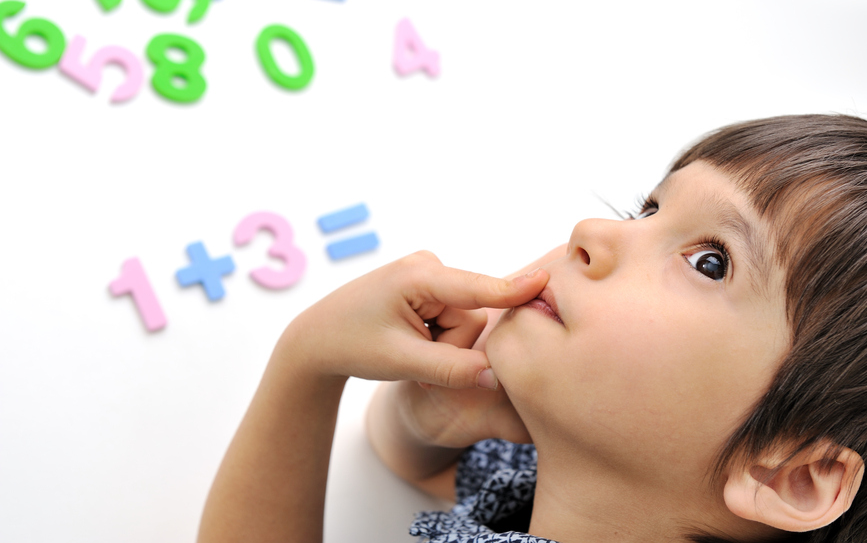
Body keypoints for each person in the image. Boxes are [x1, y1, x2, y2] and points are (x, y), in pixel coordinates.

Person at [197, 114, 867, 543]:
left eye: (708, 261)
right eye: (647, 209)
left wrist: (304, 363)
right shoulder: (585, 483)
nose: (593, 232)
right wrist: (440, 411)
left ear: (794, 476)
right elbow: (403, 452)